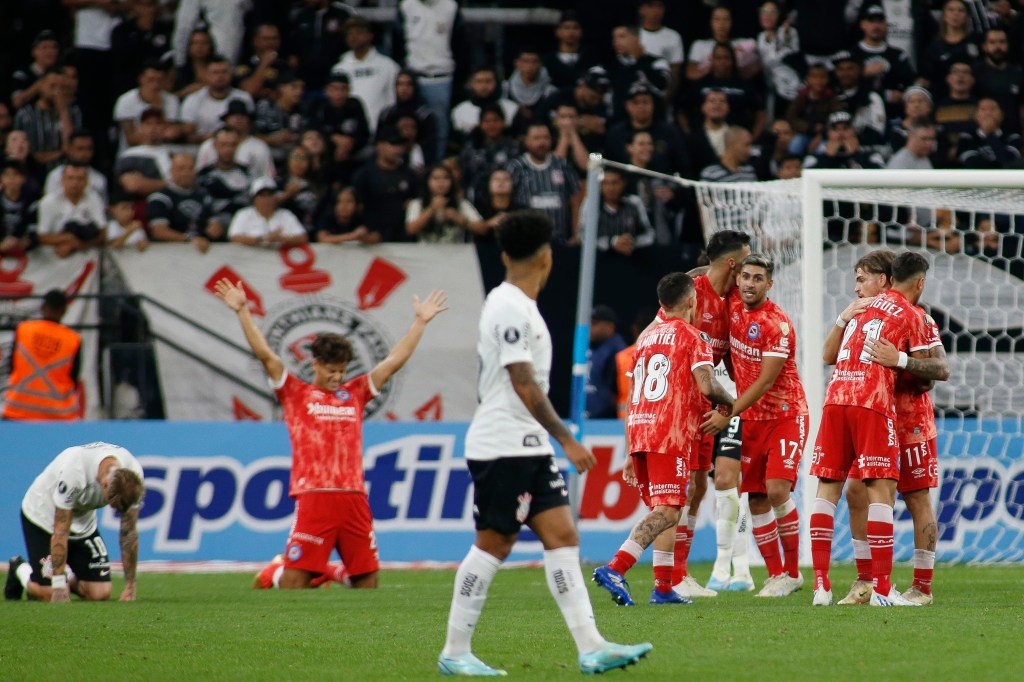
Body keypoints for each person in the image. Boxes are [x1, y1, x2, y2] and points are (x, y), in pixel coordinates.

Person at [438, 210, 652, 676]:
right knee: (493, 544)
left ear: (505, 255)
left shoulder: (518, 304)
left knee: (563, 536)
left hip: (527, 443)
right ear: (547, 258)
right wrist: (568, 440)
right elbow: (523, 381)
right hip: (503, 443)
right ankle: (455, 651)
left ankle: (592, 646)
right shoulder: (509, 307)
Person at [216, 278, 448, 591]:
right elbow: (267, 355)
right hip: (314, 496)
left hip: (353, 497)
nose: (338, 377)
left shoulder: (356, 392)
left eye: (342, 370)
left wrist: (420, 321)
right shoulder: (295, 392)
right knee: (295, 584)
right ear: (316, 364)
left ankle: (331, 572)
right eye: (331, 370)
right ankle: (276, 572)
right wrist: (242, 310)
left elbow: (393, 362)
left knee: (368, 583)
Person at [809, 251, 947, 607]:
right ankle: (866, 582)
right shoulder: (863, 312)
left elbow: (936, 373)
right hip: (870, 411)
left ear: (884, 279)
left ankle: (922, 586)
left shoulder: (921, 319)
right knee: (856, 492)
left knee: (916, 498)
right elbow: (830, 355)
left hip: (909, 421)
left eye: (861, 279)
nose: (856, 288)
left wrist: (899, 360)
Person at [592, 272, 736, 607]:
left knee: (667, 505)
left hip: (641, 429)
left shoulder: (645, 339)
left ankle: (662, 587)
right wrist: (731, 402)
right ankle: (616, 567)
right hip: (668, 434)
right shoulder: (692, 337)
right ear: (691, 301)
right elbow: (705, 384)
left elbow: (633, 396)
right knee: (670, 512)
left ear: (661, 304)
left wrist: (630, 448)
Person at [703, 254, 808, 597]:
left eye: (757, 278)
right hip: (751, 418)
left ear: (769, 284)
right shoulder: (733, 304)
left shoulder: (776, 324)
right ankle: (776, 575)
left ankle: (793, 573)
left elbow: (763, 383)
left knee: (778, 490)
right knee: (758, 499)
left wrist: (727, 412)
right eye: (745, 276)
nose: (749, 283)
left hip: (785, 416)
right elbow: (708, 273)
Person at [671, 230, 751, 598]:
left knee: (700, 486)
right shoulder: (690, 294)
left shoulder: (736, 299)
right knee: (681, 489)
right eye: (745, 260)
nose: (750, 267)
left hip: (715, 400)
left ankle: (683, 572)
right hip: (681, 400)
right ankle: (668, 573)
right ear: (732, 263)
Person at [4, 442, 144, 603]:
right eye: (111, 505)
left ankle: (64, 576)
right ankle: (20, 568)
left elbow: (128, 532)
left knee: (100, 594)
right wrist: (57, 587)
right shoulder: (75, 472)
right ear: (104, 485)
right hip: (43, 518)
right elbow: (60, 530)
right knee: (49, 593)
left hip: (83, 524)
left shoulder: (133, 477)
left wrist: (130, 586)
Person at [2, 289, 82, 421]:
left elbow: (11, 365)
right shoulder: (73, 339)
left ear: (43, 307)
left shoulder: (23, 330)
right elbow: (74, 378)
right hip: (58, 415)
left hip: (18, 411)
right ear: (64, 311)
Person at [506, 122, 582, 244]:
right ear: (527, 141)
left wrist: (576, 235)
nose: (542, 142)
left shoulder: (563, 165)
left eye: (545, 138)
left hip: (560, 241)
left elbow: (575, 201)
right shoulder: (516, 167)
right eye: (536, 138)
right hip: (527, 242)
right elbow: (506, 201)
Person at [331, 16, 401, 135]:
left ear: (370, 35)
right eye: (349, 33)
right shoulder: (339, 69)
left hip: (380, 132)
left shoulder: (388, 66)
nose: (353, 37)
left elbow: (393, 101)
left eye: (358, 32)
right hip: (350, 135)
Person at [350, 127, 419, 243]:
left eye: (400, 145)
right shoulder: (364, 174)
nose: (397, 149)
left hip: (403, 235)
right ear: (379, 146)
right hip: (373, 235)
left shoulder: (410, 175)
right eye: (392, 144)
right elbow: (357, 204)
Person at [147, 153, 222, 253]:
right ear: (171, 171)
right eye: (181, 168)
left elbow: (214, 223)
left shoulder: (204, 196)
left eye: (190, 168)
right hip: (171, 253)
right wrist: (189, 239)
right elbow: (159, 231)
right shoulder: (160, 198)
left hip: (204, 250)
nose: (186, 173)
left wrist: (215, 228)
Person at [35, 163, 106, 259]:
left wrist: (79, 245)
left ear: (86, 181)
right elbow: (42, 237)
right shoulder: (48, 202)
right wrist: (68, 238)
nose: (75, 183)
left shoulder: (94, 198)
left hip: (88, 256)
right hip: (54, 258)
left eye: (79, 178)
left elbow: (102, 232)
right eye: (70, 178)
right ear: (62, 180)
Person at [180, 54, 255, 144]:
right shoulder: (192, 100)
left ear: (231, 74)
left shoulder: (244, 98)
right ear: (206, 75)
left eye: (224, 72)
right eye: (215, 72)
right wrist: (210, 137)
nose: (220, 76)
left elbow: (252, 130)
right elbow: (187, 136)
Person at [404, 163, 483, 244]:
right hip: (425, 252)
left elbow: (481, 229)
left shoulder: (461, 203)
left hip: (455, 252)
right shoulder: (417, 203)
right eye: (436, 178)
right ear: (427, 181)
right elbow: (411, 230)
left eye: (446, 178)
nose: (441, 182)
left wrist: (459, 219)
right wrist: (431, 209)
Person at [588, 167, 655, 256]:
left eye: (614, 183)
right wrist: (612, 242)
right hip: (600, 259)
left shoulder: (634, 203)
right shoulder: (591, 204)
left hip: (633, 258)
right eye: (605, 183)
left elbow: (649, 233)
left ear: (623, 183)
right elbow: (583, 237)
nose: (610, 188)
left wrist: (630, 242)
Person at [228, 177, 308, 247]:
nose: (266, 199)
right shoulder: (243, 214)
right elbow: (234, 237)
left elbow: (302, 238)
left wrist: (280, 239)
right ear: (254, 198)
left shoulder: (285, 214)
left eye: (270, 195)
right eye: (262, 195)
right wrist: (263, 239)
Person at [584, 305, 626, 420]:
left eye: (595, 323)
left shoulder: (619, 352)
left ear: (609, 326)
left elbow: (617, 390)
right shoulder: (587, 347)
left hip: (607, 420)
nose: (590, 327)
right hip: (587, 417)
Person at [0, 160, 39, 255]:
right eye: (7, 175)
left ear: (23, 178)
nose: (11, 179)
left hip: (26, 252)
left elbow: (35, 230)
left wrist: (23, 243)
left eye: (15, 175)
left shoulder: (33, 200)